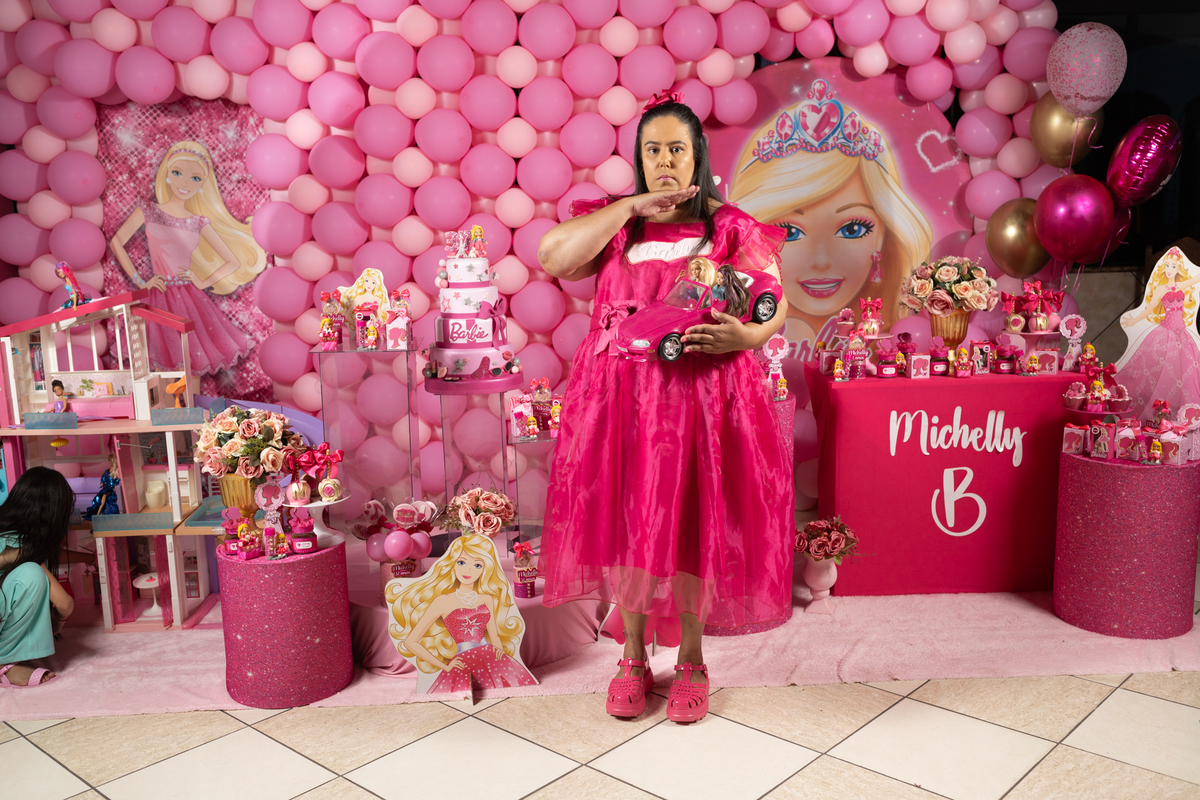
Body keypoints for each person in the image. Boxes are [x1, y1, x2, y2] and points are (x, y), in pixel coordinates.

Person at [536, 94, 792, 724]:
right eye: (653, 150)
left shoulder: (728, 227)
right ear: (640, 159)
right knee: (628, 523)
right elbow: (553, 257)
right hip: (620, 400)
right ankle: (631, 656)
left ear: (697, 156)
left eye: (677, 149)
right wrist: (629, 205)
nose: (666, 161)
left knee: (691, 524)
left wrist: (748, 336)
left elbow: (773, 297)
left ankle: (692, 661)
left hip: (697, 397)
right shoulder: (617, 225)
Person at [727, 79, 932, 351]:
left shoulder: (896, 332)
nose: (821, 261)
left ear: (882, 233)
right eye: (790, 232)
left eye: (852, 229)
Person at [110, 140, 266, 376]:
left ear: (203, 185)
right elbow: (116, 243)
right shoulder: (148, 210)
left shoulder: (197, 222)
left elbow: (232, 261)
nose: (185, 183)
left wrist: (202, 281)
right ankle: (165, 400)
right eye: (177, 173)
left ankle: (188, 400)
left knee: (192, 360)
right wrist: (140, 281)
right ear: (167, 175)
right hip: (158, 294)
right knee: (161, 360)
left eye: (195, 178)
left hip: (190, 298)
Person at [387, 533, 536, 693]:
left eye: (477, 565)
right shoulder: (442, 601)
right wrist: (444, 665)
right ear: (452, 564)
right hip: (463, 661)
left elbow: (494, 634)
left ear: (485, 570)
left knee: (511, 689)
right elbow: (411, 642)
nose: (468, 570)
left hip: (493, 657)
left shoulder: (486, 598)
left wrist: (500, 649)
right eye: (461, 562)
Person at [0, 467, 76, 687]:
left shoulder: (13, 536)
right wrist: (58, 621)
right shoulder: (23, 548)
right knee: (32, 575)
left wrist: (90, 559)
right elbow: (65, 603)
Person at [1116, 248, 1200, 419]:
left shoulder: (1180, 286)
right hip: (1165, 334)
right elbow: (1148, 309)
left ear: (1178, 269)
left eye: (1173, 266)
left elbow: (1196, 278)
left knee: (1186, 374)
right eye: (1167, 266)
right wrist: (1134, 321)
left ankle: (1183, 418)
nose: (1170, 269)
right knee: (1160, 373)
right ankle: (1158, 416)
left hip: (1182, 335)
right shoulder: (1161, 289)